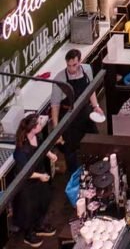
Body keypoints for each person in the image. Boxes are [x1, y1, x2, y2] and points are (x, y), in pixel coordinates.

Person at [50, 49, 100, 174]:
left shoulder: (87, 69)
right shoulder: (59, 79)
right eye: (68, 65)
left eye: (74, 65)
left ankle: (96, 168)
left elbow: (91, 89)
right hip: (68, 116)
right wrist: (57, 130)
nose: (71, 68)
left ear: (80, 61)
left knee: (94, 139)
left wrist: (96, 106)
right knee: (70, 150)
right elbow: (55, 105)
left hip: (84, 111)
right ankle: (74, 175)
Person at [13, 114, 57, 247]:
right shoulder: (21, 149)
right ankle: (28, 234)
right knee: (29, 209)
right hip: (28, 184)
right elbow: (24, 172)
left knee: (43, 201)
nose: (41, 124)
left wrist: (49, 154)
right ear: (32, 128)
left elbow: (42, 147)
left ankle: (39, 226)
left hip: (39, 177)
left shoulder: (37, 137)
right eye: (38, 123)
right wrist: (40, 176)